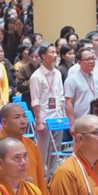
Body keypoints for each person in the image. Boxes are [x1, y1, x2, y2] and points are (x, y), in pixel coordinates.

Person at [0, 103, 45, 189]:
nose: (23, 121)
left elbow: (40, 180)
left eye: (24, 116)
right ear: (5, 122)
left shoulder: (31, 145)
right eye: (17, 117)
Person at [29, 43, 65, 177]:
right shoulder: (36, 76)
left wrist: (64, 116)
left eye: (56, 52)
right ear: (43, 56)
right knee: (42, 152)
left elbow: (61, 97)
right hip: (44, 119)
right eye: (52, 52)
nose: (55, 55)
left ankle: (52, 177)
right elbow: (35, 101)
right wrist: (38, 121)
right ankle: (41, 178)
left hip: (57, 118)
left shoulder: (58, 73)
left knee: (56, 151)